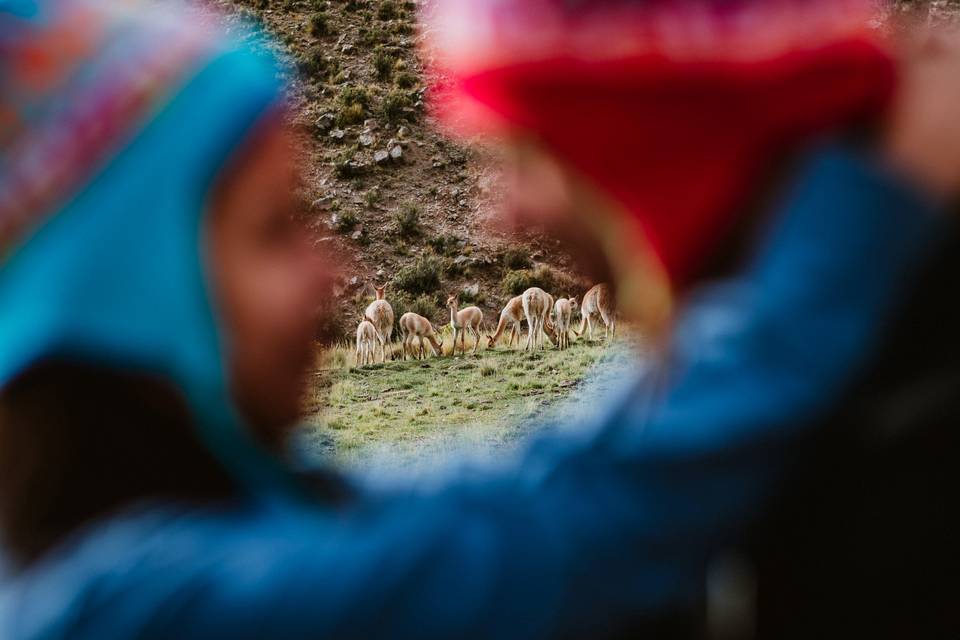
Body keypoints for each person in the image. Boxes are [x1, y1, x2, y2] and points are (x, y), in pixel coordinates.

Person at [0, 0, 957, 637]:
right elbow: (579, 533)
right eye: (277, 230)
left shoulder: (256, 513)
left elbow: (538, 484)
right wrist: (871, 202)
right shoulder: (127, 608)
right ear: (116, 291)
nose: (344, 269)